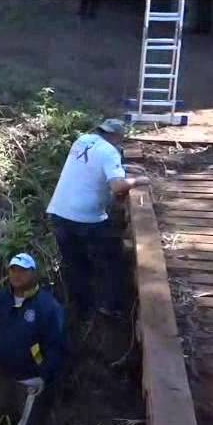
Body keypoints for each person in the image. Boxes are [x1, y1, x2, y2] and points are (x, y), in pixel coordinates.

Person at [46, 118, 149, 322]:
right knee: (112, 260)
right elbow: (118, 187)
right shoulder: (110, 152)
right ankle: (110, 307)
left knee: (75, 264)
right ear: (116, 137)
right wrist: (138, 180)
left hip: (59, 213)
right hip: (87, 219)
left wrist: (122, 168)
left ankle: (80, 312)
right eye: (121, 140)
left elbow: (93, 167)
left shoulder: (82, 141)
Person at [0, 252, 65, 425]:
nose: (17, 275)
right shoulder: (1, 300)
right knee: (3, 419)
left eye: (23, 270)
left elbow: (58, 346)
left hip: (31, 384)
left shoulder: (48, 307)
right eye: (13, 269)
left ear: (34, 274)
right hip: (2, 377)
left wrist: (44, 377)